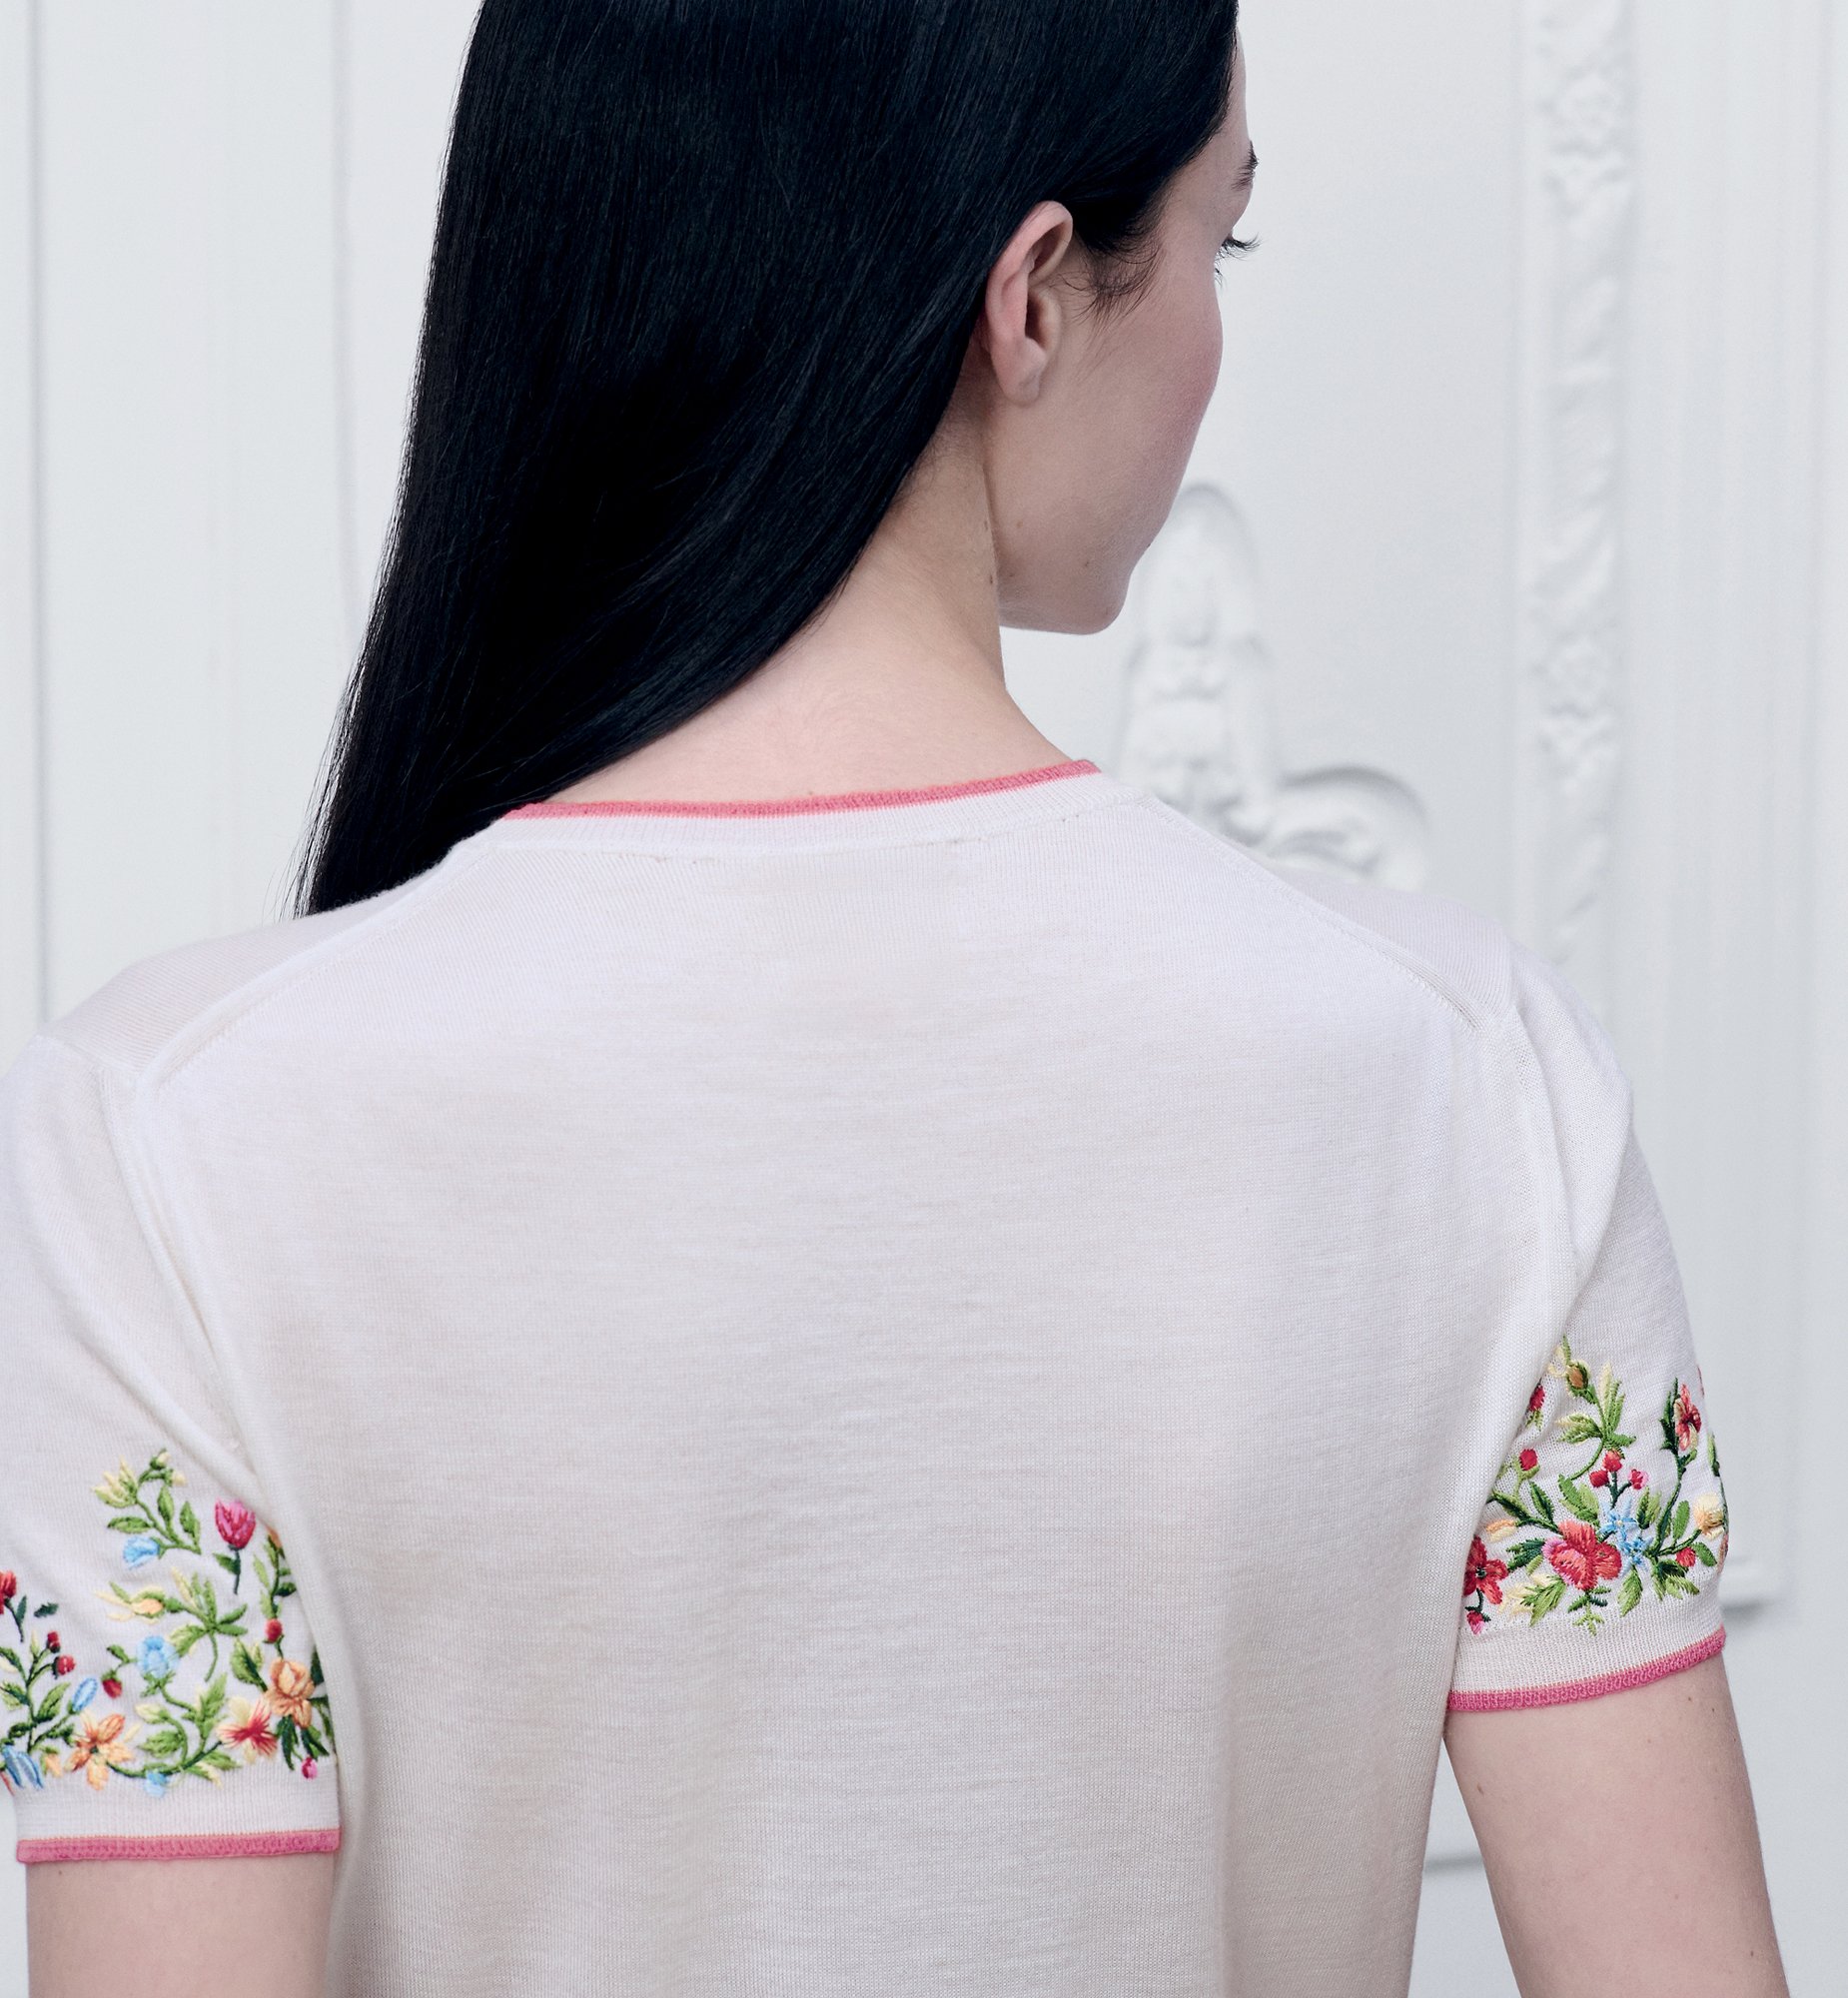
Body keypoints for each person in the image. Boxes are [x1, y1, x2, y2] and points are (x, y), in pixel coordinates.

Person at [0, 2, 1788, 1993]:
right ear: (1030, 296)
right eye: (1222, 237)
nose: (1216, 331)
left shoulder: (168, 1132)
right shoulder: (1468, 1086)